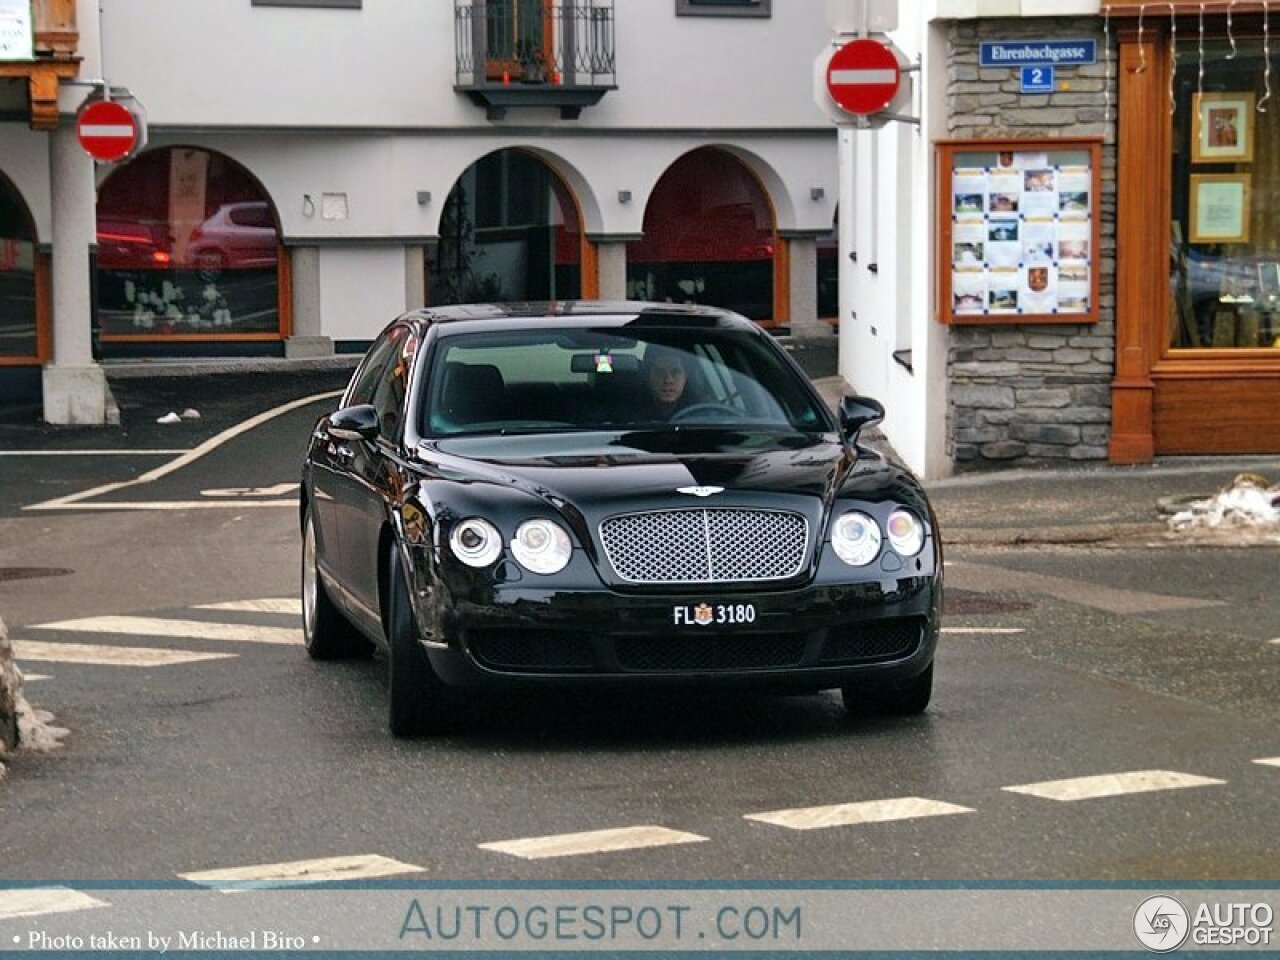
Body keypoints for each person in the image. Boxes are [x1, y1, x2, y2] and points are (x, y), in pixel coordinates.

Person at [640, 345, 691, 419]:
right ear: (648, 378)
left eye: (675, 372)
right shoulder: (630, 410)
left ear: (685, 377)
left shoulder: (701, 409)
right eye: (660, 372)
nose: (668, 380)